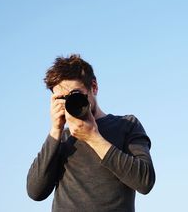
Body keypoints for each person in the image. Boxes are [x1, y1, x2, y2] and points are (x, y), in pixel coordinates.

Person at [27, 54, 155, 212]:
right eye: (62, 98)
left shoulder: (127, 125)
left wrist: (94, 138)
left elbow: (145, 181)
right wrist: (56, 129)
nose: (70, 102)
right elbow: (35, 192)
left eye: (75, 94)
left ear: (94, 87)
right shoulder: (61, 138)